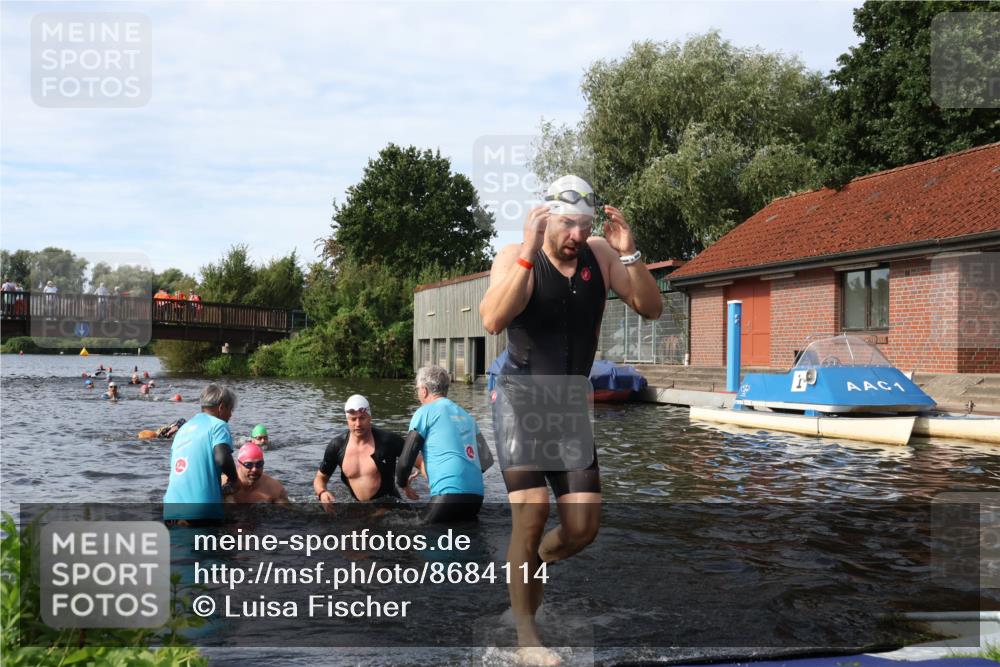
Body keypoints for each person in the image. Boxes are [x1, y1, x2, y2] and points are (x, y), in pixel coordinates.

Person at [478, 174, 662, 665]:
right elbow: (493, 319)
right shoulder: (516, 253)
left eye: (583, 225)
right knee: (532, 508)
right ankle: (526, 640)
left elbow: (652, 307)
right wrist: (526, 252)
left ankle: (532, 562)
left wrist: (629, 253)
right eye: (566, 225)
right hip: (518, 398)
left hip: (568, 405)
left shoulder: (602, 256)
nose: (576, 236)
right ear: (547, 218)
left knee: (582, 528)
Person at [396, 365, 491, 523]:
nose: (418, 393)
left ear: (424, 390)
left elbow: (405, 462)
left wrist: (403, 484)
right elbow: (486, 461)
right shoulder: (467, 416)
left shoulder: (424, 412)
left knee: (415, 536)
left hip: (447, 496)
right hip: (476, 499)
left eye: (418, 389)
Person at [312, 394, 415, 512]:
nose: (358, 424)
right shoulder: (337, 446)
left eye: (362, 418)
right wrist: (322, 493)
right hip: (360, 509)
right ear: (347, 420)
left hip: (390, 508)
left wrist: (407, 481)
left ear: (370, 417)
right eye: (353, 419)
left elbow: (420, 461)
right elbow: (320, 479)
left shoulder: (388, 440)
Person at [163, 384, 239, 524]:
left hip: (171, 508)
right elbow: (222, 458)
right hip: (201, 509)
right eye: (230, 409)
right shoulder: (218, 425)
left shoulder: (183, 429)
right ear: (221, 407)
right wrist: (234, 479)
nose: (231, 415)